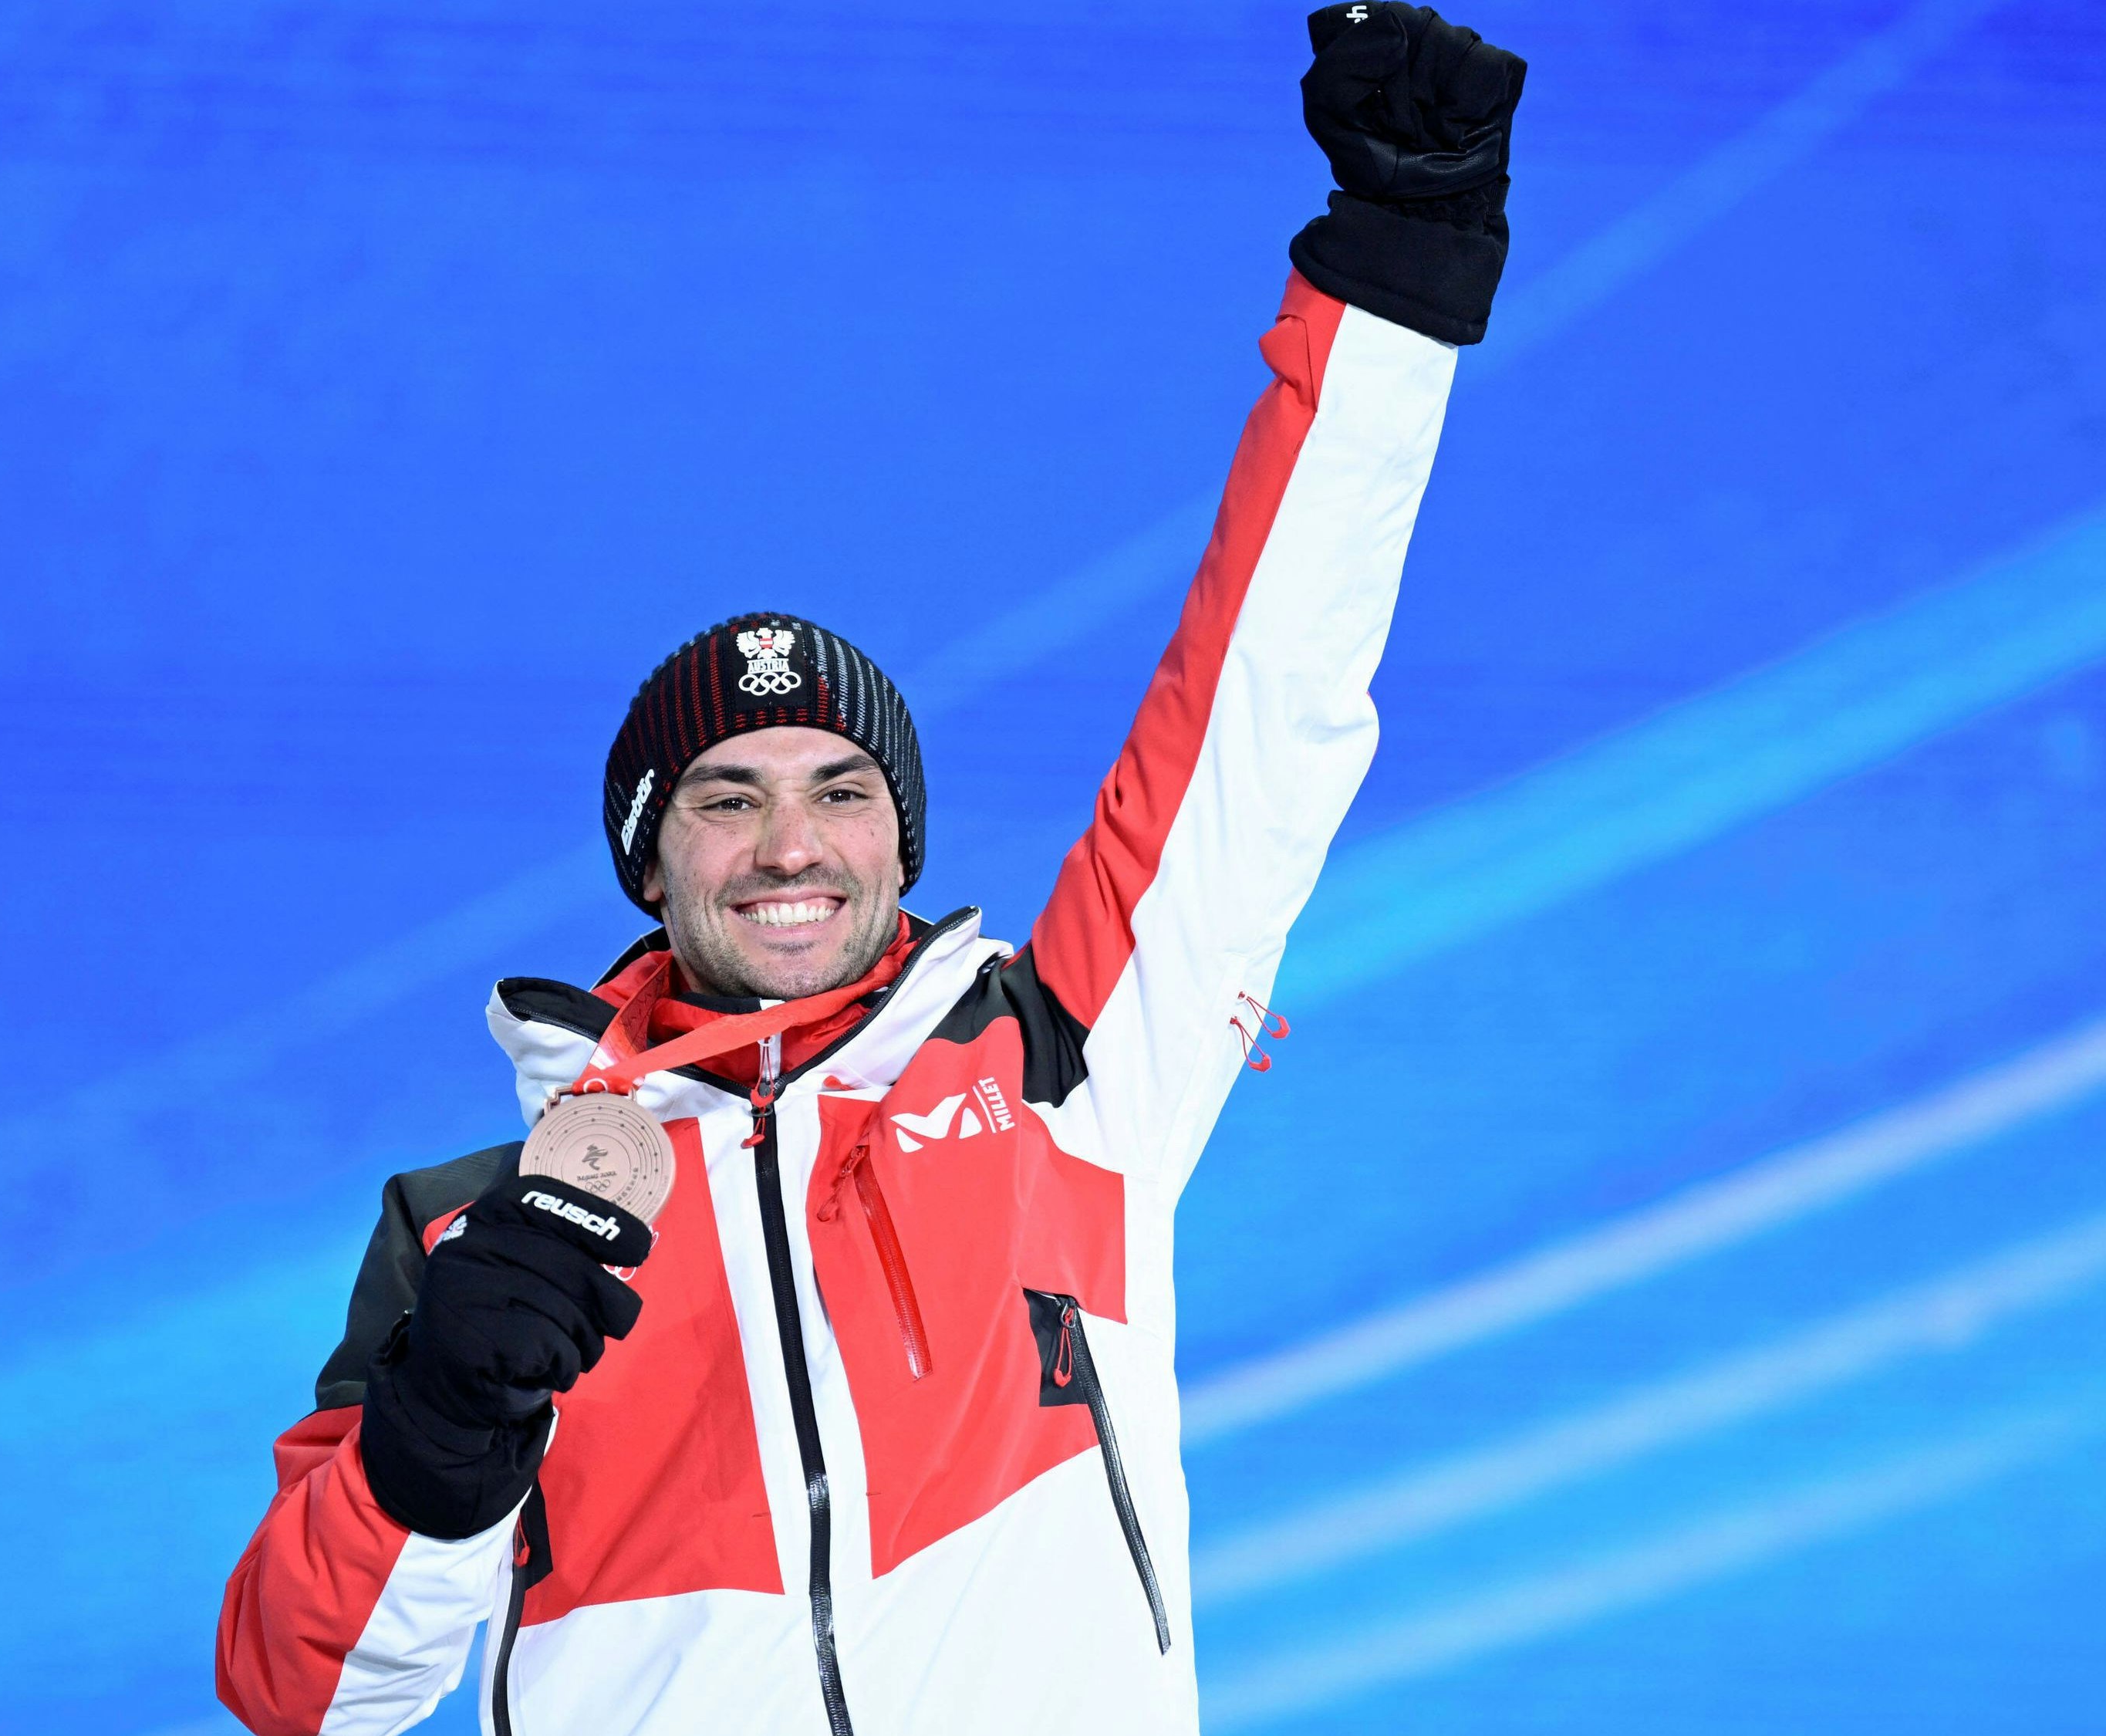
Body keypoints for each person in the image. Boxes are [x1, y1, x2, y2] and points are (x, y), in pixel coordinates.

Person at [217, 8, 1524, 1731]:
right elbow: (303, 1696)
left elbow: (1264, 705)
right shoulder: (478, 1226)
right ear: (646, 860)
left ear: (900, 837)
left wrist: (1393, 279)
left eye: (839, 791)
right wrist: (445, 1424)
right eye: (721, 798)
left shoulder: (1061, 1062)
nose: (788, 847)